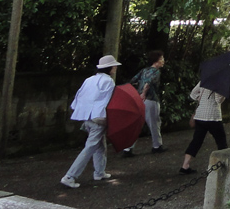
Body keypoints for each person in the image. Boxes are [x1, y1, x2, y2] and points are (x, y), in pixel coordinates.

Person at [60, 55, 121, 188]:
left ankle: (99, 172)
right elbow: (109, 100)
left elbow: (79, 96)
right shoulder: (108, 81)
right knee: (90, 147)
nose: (115, 68)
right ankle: (70, 176)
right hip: (98, 118)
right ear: (109, 68)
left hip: (86, 116)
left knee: (100, 145)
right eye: (114, 65)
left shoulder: (89, 80)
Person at [122, 50, 166, 157]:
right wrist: (144, 92)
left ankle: (128, 148)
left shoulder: (144, 70)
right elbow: (148, 83)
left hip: (139, 100)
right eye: (162, 59)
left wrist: (138, 92)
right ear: (157, 60)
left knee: (138, 123)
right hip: (150, 99)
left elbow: (133, 80)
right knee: (154, 123)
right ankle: (157, 146)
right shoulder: (156, 72)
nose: (163, 61)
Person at [180, 82, 226, 174]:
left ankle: (185, 166)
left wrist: (202, 100)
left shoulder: (204, 80)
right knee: (221, 141)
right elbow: (218, 100)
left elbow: (193, 94)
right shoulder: (219, 82)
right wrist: (224, 94)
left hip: (200, 116)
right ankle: (224, 164)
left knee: (196, 141)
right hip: (213, 116)